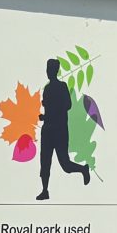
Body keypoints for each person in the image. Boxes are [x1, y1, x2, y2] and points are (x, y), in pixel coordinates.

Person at [37, 58, 90, 201]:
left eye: (50, 69)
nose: (48, 72)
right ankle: (44, 190)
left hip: (59, 130)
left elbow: (67, 105)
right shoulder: (47, 89)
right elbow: (50, 110)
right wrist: (44, 116)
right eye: (47, 70)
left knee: (65, 164)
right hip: (47, 130)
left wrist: (52, 107)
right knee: (45, 162)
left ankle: (83, 169)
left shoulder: (62, 86)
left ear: (55, 71)